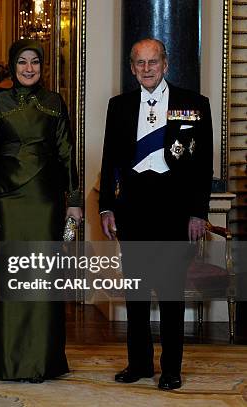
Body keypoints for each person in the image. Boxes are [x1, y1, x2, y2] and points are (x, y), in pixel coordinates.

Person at [99, 38, 213, 390]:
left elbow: (201, 165)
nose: (147, 69)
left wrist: (198, 212)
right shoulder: (118, 106)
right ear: (131, 68)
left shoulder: (194, 104)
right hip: (133, 209)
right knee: (136, 292)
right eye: (140, 63)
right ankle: (138, 364)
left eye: (153, 62)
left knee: (170, 293)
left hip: (175, 211)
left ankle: (171, 369)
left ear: (165, 64)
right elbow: (110, 161)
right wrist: (106, 206)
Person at [0, 39, 82, 382]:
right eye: (22, 62)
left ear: (42, 66)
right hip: (7, 203)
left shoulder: (54, 102)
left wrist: (75, 201)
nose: (29, 68)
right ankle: (11, 359)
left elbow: (67, 153)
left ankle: (43, 360)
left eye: (35, 61)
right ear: (12, 65)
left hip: (45, 201)